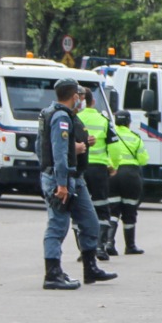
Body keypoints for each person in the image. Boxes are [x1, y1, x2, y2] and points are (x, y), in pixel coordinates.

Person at [38, 80, 115, 290]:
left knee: (90, 222)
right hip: (61, 179)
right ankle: (52, 274)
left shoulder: (64, 115)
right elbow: (59, 153)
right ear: (74, 96)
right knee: (58, 225)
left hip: (75, 178)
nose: (80, 101)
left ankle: (90, 268)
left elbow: (50, 147)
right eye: (79, 97)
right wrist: (61, 184)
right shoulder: (60, 116)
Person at [77, 95, 120, 258]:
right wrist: (113, 166)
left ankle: (83, 249)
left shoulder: (76, 118)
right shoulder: (103, 120)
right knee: (101, 207)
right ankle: (99, 247)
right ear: (93, 102)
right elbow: (115, 147)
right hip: (99, 169)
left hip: (80, 167)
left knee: (79, 209)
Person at [111, 110, 147, 254]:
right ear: (128, 122)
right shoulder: (135, 138)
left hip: (113, 174)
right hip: (131, 175)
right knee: (130, 210)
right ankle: (130, 246)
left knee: (112, 210)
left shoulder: (111, 135)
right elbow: (144, 160)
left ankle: (108, 243)